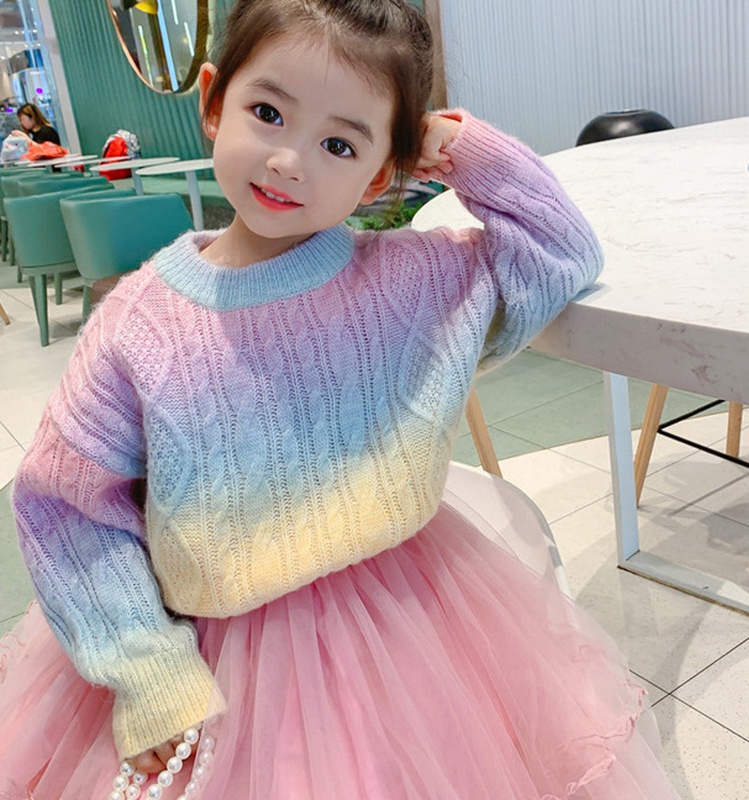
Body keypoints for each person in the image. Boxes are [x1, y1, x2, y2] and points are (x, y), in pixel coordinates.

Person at [0, 1, 680, 798]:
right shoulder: (138, 324)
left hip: (407, 620)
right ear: (213, 102)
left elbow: (561, 251)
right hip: (209, 650)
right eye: (267, 112)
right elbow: (67, 504)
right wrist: (146, 671)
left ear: (382, 173)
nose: (289, 161)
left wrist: (457, 146)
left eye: (339, 144)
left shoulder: (412, 280)